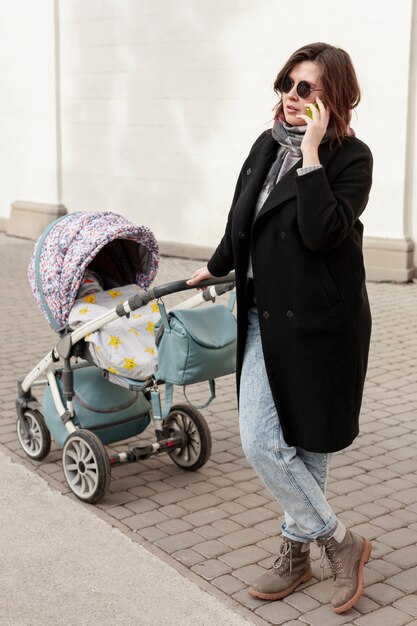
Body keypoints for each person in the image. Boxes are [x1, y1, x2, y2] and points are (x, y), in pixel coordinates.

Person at [187, 42, 373, 614]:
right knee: (263, 441)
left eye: (305, 88)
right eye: (286, 85)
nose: (291, 98)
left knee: (305, 442)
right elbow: (241, 213)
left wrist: (313, 155)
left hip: (321, 323)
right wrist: (218, 265)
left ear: (333, 96)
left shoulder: (351, 158)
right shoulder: (266, 145)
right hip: (264, 316)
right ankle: (341, 542)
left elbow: (322, 233)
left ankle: (296, 550)